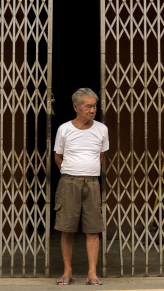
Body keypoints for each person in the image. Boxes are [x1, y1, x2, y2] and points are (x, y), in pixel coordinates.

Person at [54, 88, 109, 286]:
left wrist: (89, 171)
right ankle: (67, 272)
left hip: (92, 183)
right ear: (76, 107)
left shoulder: (102, 129)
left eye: (94, 106)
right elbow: (58, 157)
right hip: (69, 182)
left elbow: (101, 156)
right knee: (66, 229)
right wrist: (71, 173)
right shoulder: (64, 129)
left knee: (93, 229)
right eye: (88, 106)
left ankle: (92, 274)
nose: (92, 110)